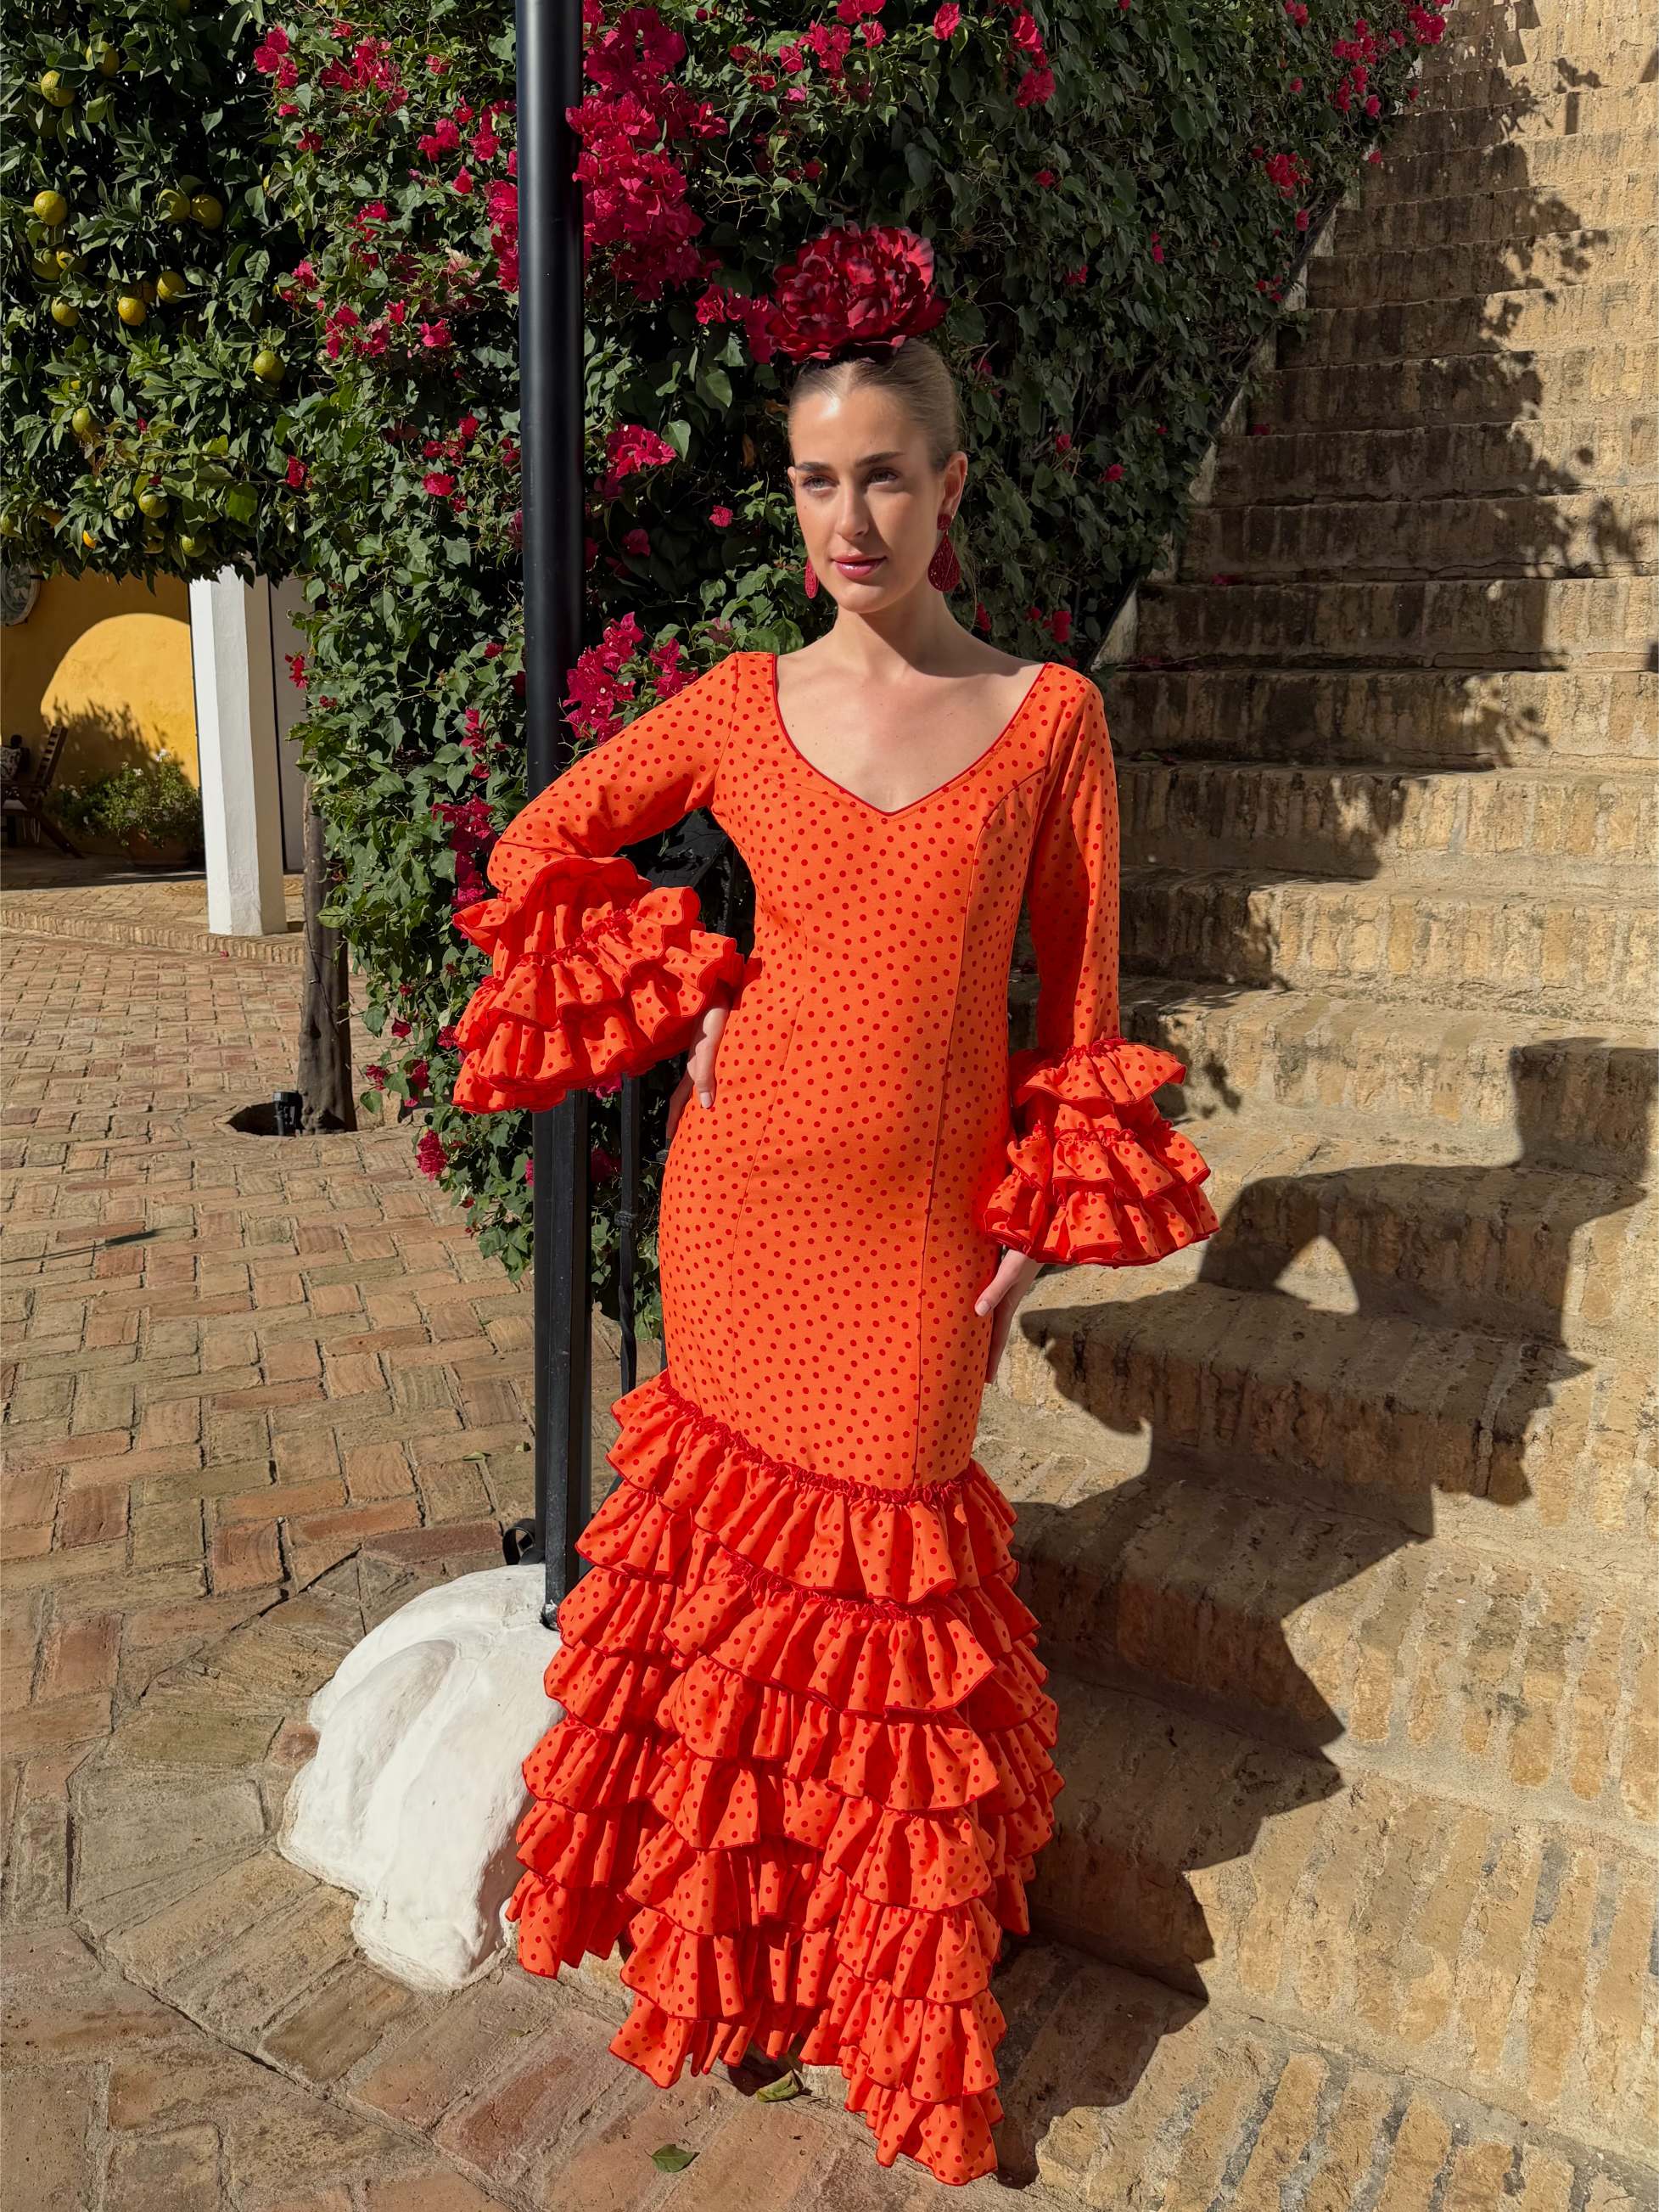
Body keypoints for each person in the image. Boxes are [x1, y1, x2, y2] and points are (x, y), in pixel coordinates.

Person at [446, 239, 1219, 2187]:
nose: (849, 515)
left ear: (954, 486)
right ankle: (748, 1963)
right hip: (742, 1216)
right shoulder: (730, 700)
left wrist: (1049, 1199)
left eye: (885, 473)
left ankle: (880, 1990)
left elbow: (1087, 998)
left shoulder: (1050, 720)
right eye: (815, 478)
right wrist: (688, 983)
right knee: (734, 1606)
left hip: (914, 1260)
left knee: (884, 1611)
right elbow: (542, 844)